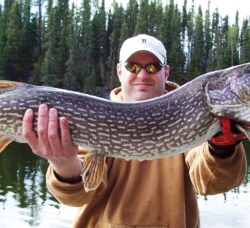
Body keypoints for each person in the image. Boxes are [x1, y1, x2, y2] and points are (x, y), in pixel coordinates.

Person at [22, 34, 247, 228]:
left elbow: (211, 183)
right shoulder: (92, 116)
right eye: (132, 66)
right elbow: (77, 197)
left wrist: (221, 149)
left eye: (152, 67)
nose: (142, 74)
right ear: (120, 70)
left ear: (165, 72)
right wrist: (64, 164)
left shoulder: (192, 114)